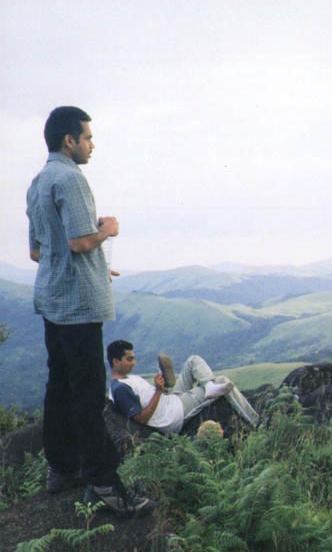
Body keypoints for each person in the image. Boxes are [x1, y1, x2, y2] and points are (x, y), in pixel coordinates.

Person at [26, 106, 153, 517]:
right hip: (79, 307)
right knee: (87, 393)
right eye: (88, 137)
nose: (92, 145)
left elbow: (38, 251)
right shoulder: (71, 178)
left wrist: (93, 260)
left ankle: (60, 469)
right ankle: (103, 482)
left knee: (59, 386)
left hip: (53, 300)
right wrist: (107, 231)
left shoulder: (38, 181)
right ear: (69, 140)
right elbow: (82, 242)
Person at [107, 340, 260, 433]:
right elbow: (141, 418)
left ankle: (208, 385)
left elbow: (148, 400)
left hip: (171, 400)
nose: (134, 363)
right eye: (129, 359)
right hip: (174, 414)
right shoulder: (120, 389)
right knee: (222, 380)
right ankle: (255, 424)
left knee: (192, 361)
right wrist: (158, 392)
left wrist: (161, 389)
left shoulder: (130, 378)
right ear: (116, 361)